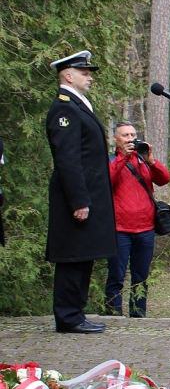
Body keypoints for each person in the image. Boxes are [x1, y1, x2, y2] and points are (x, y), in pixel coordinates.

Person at [45, 51, 117, 334]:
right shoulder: (65, 108)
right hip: (74, 197)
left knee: (83, 255)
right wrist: (78, 200)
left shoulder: (78, 105)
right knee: (72, 256)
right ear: (68, 75)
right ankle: (68, 316)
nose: (89, 76)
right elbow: (68, 159)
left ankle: (76, 313)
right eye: (84, 72)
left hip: (87, 195)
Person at [103, 122, 170, 318]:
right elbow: (107, 180)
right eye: (125, 135)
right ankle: (112, 315)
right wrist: (123, 157)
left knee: (141, 278)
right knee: (116, 276)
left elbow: (164, 179)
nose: (130, 138)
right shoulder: (111, 160)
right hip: (120, 230)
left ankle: (138, 315)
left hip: (146, 229)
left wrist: (152, 161)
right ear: (115, 139)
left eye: (132, 134)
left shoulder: (142, 160)